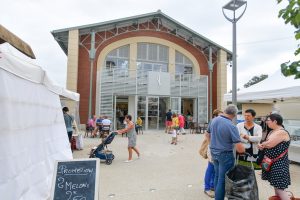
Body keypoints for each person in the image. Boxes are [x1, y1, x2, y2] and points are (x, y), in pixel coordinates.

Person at [207, 104, 245, 200]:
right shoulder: (231, 126)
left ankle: (217, 197)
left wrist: (213, 144)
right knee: (222, 180)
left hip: (214, 152)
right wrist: (243, 149)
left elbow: (207, 134)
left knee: (217, 175)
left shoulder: (214, 120)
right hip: (225, 154)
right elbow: (240, 148)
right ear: (235, 114)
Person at [258, 113, 291, 200]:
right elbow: (265, 144)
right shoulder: (273, 131)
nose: (267, 122)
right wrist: (263, 145)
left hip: (279, 164)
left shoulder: (281, 132)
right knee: (276, 187)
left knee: (280, 189)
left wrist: (262, 144)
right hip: (271, 163)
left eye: (268, 120)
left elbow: (269, 144)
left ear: (275, 121)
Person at [203, 109, 223, 198]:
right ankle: (207, 188)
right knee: (211, 167)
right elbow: (207, 135)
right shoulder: (213, 122)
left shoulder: (219, 122)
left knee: (215, 168)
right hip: (213, 148)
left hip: (217, 148)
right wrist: (212, 145)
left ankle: (212, 186)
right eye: (220, 115)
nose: (221, 117)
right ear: (215, 116)